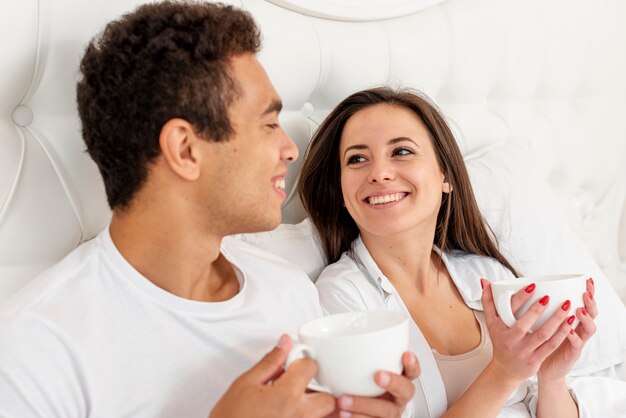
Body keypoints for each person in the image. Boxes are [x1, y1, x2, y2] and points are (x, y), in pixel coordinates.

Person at [0, 4, 419, 417]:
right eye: (269, 124)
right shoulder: (36, 349)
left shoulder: (288, 293)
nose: (290, 150)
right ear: (185, 150)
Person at [299, 87, 626, 417]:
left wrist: (552, 376)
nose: (379, 173)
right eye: (357, 159)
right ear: (340, 189)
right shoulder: (342, 297)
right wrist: (504, 372)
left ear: (446, 176)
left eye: (401, 152)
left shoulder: (488, 275)